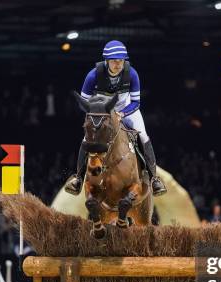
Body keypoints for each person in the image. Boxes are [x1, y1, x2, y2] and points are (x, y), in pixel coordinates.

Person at [64, 40, 167, 196]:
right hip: (101, 113)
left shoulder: (132, 74)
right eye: (114, 61)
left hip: (127, 110)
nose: (118, 64)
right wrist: (96, 112)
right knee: (87, 140)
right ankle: (78, 178)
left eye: (121, 60)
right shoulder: (93, 76)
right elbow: (83, 103)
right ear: (106, 60)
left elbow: (136, 102)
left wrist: (122, 113)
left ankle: (154, 179)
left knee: (143, 135)